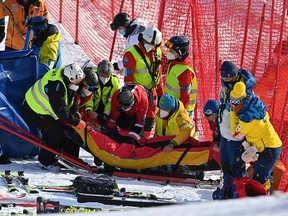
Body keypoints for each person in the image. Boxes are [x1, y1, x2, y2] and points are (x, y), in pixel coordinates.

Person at [22, 63, 86, 171]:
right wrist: (76, 122)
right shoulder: (56, 85)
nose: (78, 85)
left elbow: (72, 96)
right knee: (55, 133)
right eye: (76, 82)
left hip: (46, 109)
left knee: (69, 131)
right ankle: (45, 161)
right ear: (70, 78)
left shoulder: (66, 77)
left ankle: (69, 158)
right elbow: (60, 111)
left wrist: (75, 112)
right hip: (34, 109)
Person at [229, 82, 282, 191]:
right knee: (261, 175)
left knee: (260, 177)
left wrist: (232, 114)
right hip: (269, 146)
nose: (232, 105)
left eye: (233, 103)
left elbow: (237, 135)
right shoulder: (254, 105)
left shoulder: (248, 119)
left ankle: (262, 200)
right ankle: (265, 195)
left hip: (269, 149)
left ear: (240, 102)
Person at [218, 60, 256, 189]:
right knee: (226, 165)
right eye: (223, 78)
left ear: (234, 77)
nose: (224, 81)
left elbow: (247, 116)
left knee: (236, 168)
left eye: (227, 78)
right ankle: (228, 189)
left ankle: (238, 191)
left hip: (235, 137)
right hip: (225, 134)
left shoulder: (243, 91)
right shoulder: (226, 87)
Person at [123, 25, 164, 138]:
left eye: (155, 45)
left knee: (150, 120)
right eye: (151, 44)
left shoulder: (157, 52)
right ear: (143, 39)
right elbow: (128, 79)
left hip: (152, 91)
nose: (152, 47)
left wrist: (160, 93)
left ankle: (145, 141)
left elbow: (158, 74)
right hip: (138, 94)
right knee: (137, 121)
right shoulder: (131, 54)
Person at [84, 60, 120, 124]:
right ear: (98, 72)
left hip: (104, 110)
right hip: (91, 109)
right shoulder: (92, 78)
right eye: (102, 76)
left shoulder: (115, 83)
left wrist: (106, 113)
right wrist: (89, 110)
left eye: (107, 76)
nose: (105, 78)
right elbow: (89, 96)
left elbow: (111, 100)